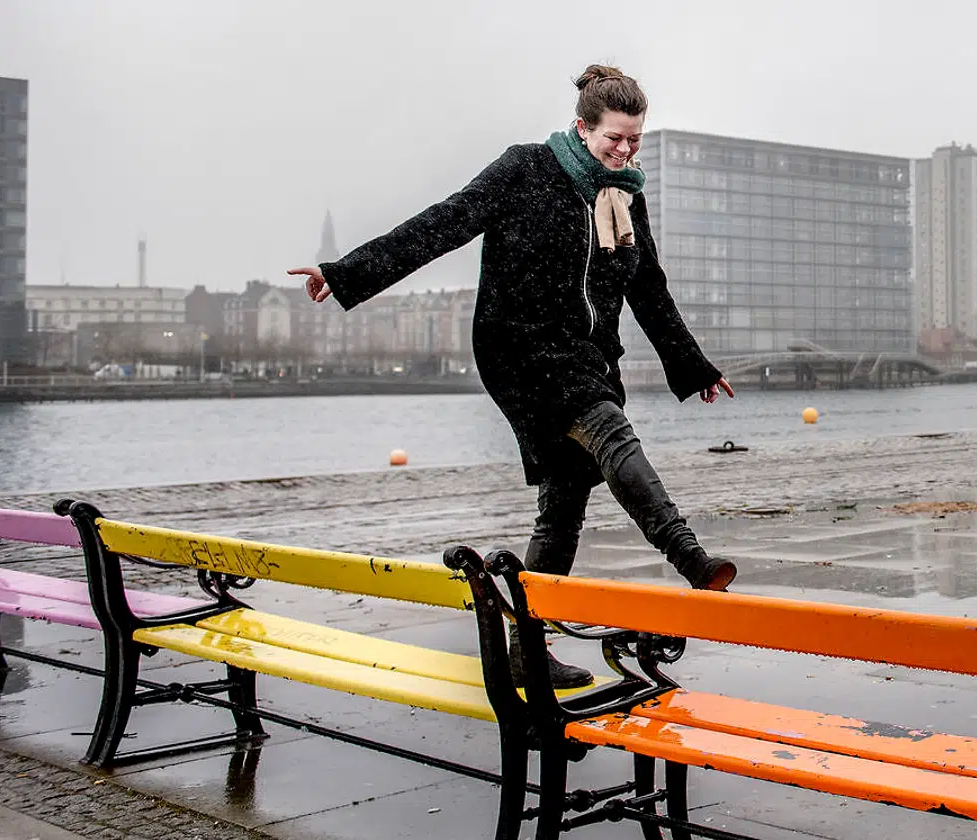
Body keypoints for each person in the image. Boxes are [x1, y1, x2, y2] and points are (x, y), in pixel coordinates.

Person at [289, 64, 736, 688]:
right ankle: (691, 559)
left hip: (587, 354)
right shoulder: (525, 169)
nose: (625, 150)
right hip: (519, 348)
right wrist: (346, 274)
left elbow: (648, 287)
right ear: (582, 128)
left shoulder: (625, 196)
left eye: (635, 140)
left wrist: (693, 365)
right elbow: (442, 223)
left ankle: (527, 651)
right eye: (614, 138)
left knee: (564, 500)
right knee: (609, 430)